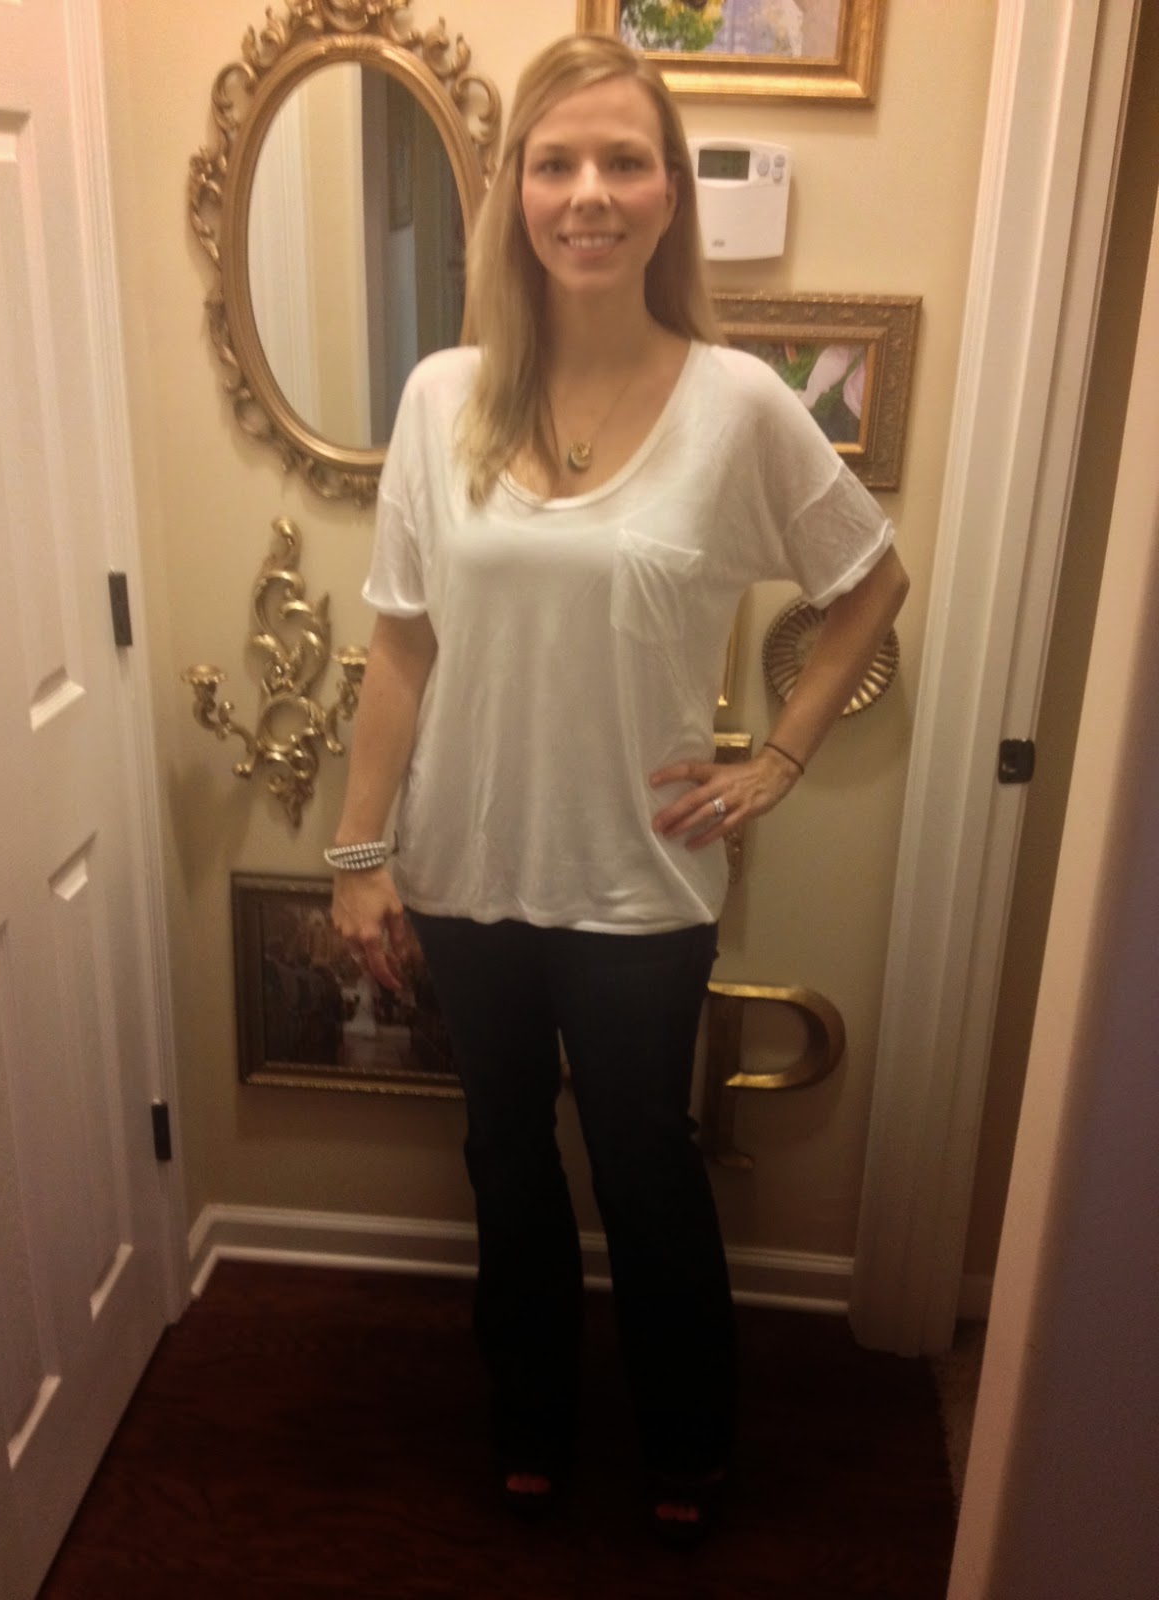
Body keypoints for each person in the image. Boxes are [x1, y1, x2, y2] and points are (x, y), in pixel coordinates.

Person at [329, 32, 909, 1542]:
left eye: (624, 161)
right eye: (556, 162)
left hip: (641, 881)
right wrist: (358, 854)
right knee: (504, 1160)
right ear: (516, 194)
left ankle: (687, 1444)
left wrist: (780, 754)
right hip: (463, 870)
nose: (588, 192)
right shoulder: (441, 396)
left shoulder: (740, 403)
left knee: (648, 1168)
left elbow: (871, 582)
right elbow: (401, 643)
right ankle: (529, 1417)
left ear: (667, 198)